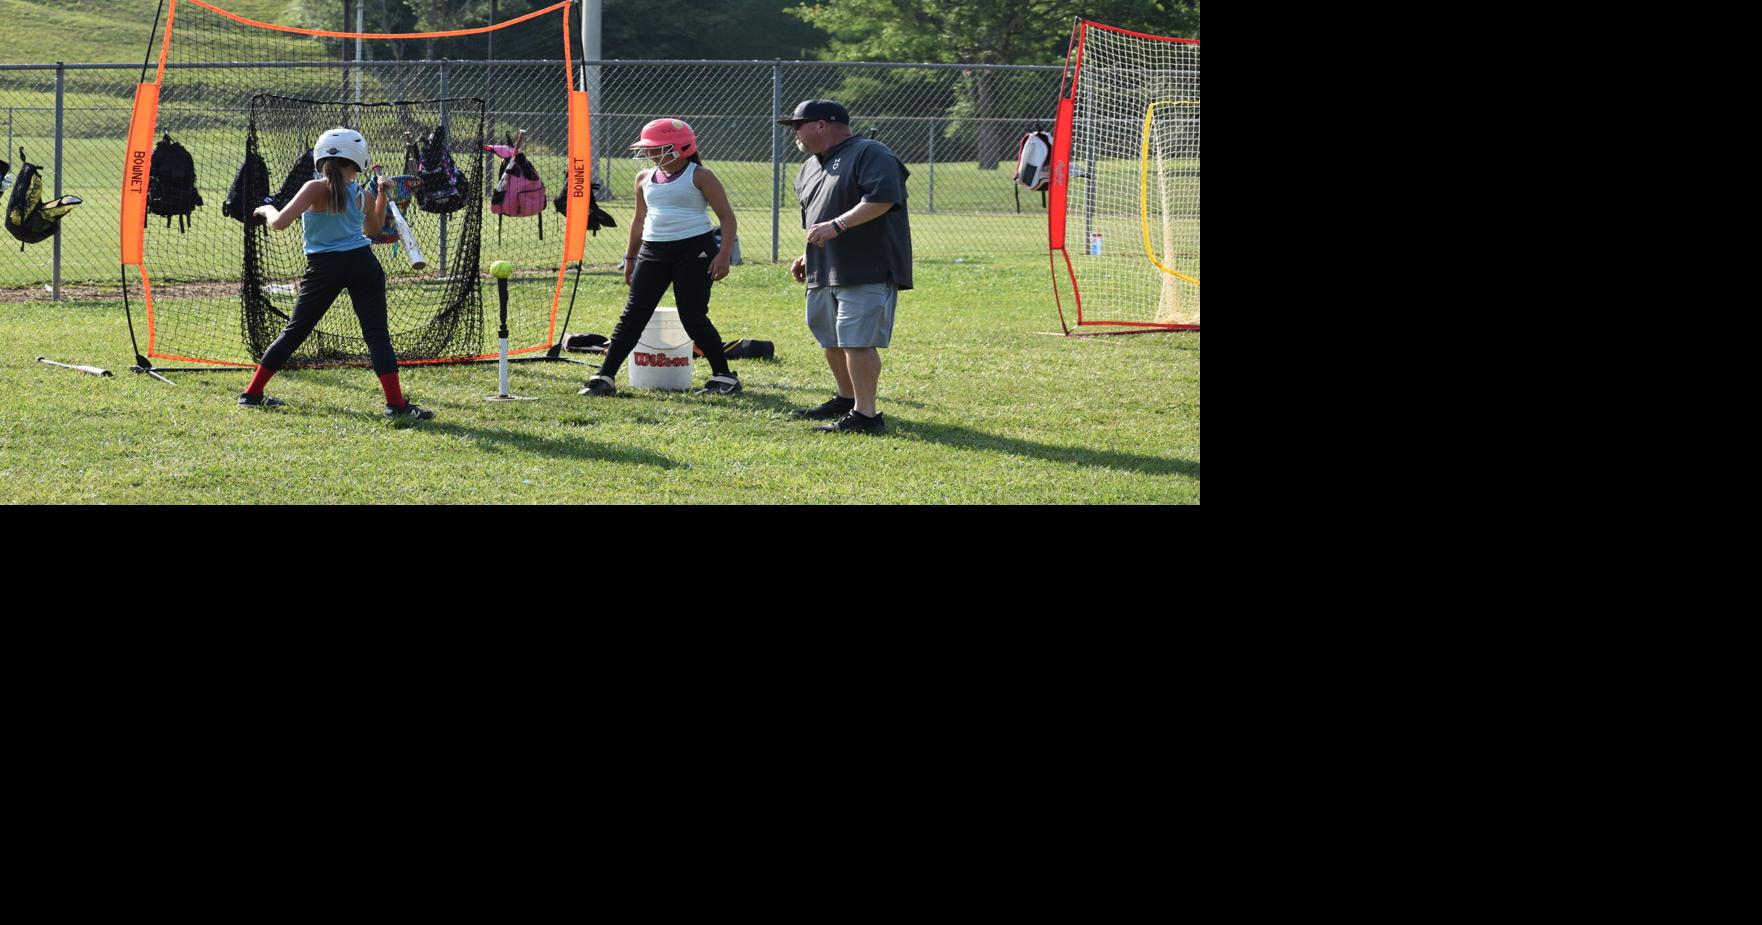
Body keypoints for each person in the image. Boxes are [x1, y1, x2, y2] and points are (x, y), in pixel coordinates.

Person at [241, 127, 434, 420]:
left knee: (296, 331)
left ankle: (252, 395)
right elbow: (374, 230)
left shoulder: (314, 188)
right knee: (377, 335)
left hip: (323, 268)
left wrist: (266, 209)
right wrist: (381, 194)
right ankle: (396, 405)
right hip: (363, 264)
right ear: (359, 160)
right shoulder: (362, 195)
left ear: (321, 157)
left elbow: (279, 223)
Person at [580, 118, 741, 397]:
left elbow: (726, 217)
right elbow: (639, 220)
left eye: (657, 147)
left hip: (694, 250)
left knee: (693, 315)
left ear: (680, 147)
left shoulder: (701, 175)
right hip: (653, 251)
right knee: (633, 314)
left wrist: (724, 254)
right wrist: (630, 259)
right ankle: (605, 376)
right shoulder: (644, 178)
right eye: (648, 148)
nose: (650, 153)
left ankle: (724, 376)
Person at [779, 99, 913, 434]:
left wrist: (839, 225)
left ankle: (866, 415)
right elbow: (816, 222)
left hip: (867, 265)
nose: (794, 131)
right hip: (824, 268)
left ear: (822, 125)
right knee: (830, 336)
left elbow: (883, 197)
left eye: (798, 124)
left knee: (856, 339)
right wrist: (807, 254)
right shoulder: (809, 167)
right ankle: (846, 397)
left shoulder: (870, 152)